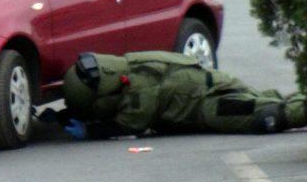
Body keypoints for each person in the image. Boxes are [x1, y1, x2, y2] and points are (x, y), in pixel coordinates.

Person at [40, 51, 307, 140]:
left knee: (269, 117)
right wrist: (64, 117)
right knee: (269, 102)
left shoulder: (138, 88)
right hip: (213, 90)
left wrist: (89, 131)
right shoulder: (123, 74)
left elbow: (129, 124)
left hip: (210, 101)